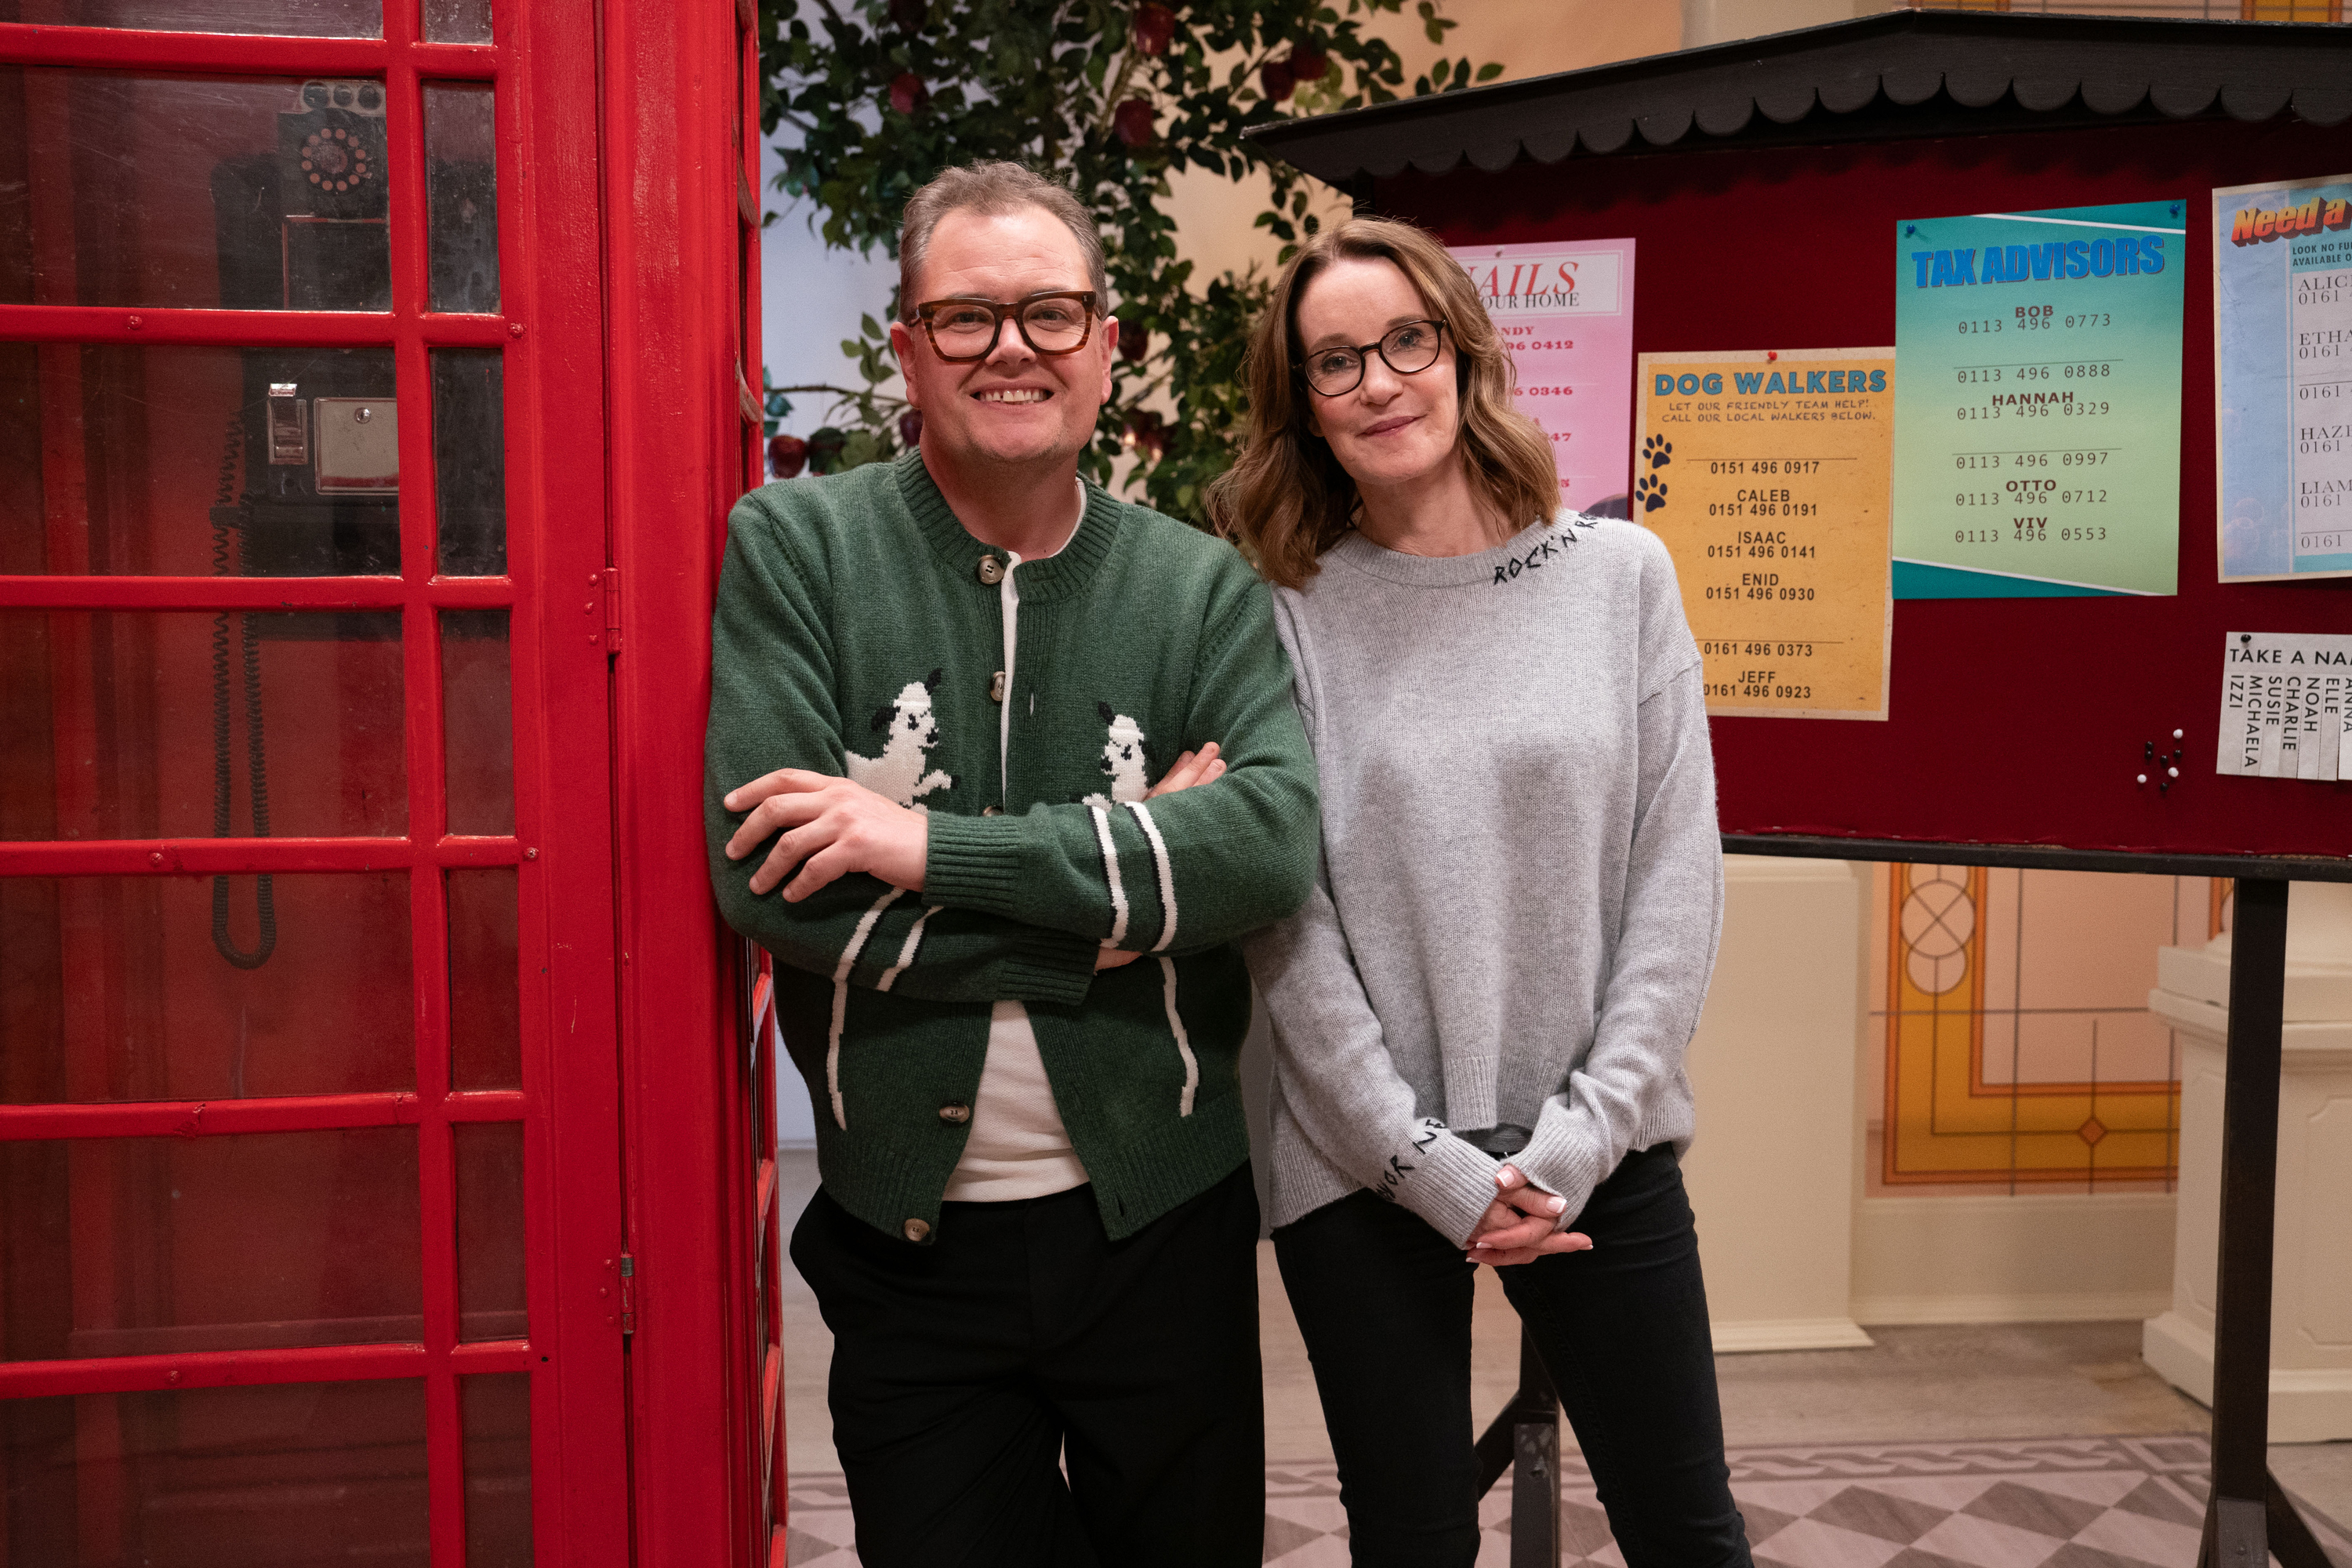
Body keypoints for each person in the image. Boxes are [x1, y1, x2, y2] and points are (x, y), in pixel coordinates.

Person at [704, 161, 1319, 1566]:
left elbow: (1269, 848)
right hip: (903, 1246)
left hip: (1164, 1224)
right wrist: (1117, 912)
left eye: (1051, 312)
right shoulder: (797, 548)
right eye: (967, 316)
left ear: (1108, 343)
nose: (1013, 349)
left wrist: (917, 848)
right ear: (907, 349)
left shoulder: (1197, 584)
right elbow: (764, 886)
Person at [1212, 216, 1752, 1568]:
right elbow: (1287, 917)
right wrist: (1418, 1159)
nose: (1381, 381)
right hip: (1360, 1157)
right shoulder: (1280, 612)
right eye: (1337, 363)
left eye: (1406, 341)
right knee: (1414, 1542)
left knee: (1689, 1534)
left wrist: (1579, 1142)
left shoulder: (1623, 577)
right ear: (1307, 409)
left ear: (1462, 354)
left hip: (1600, 1150)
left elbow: (1676, 881)